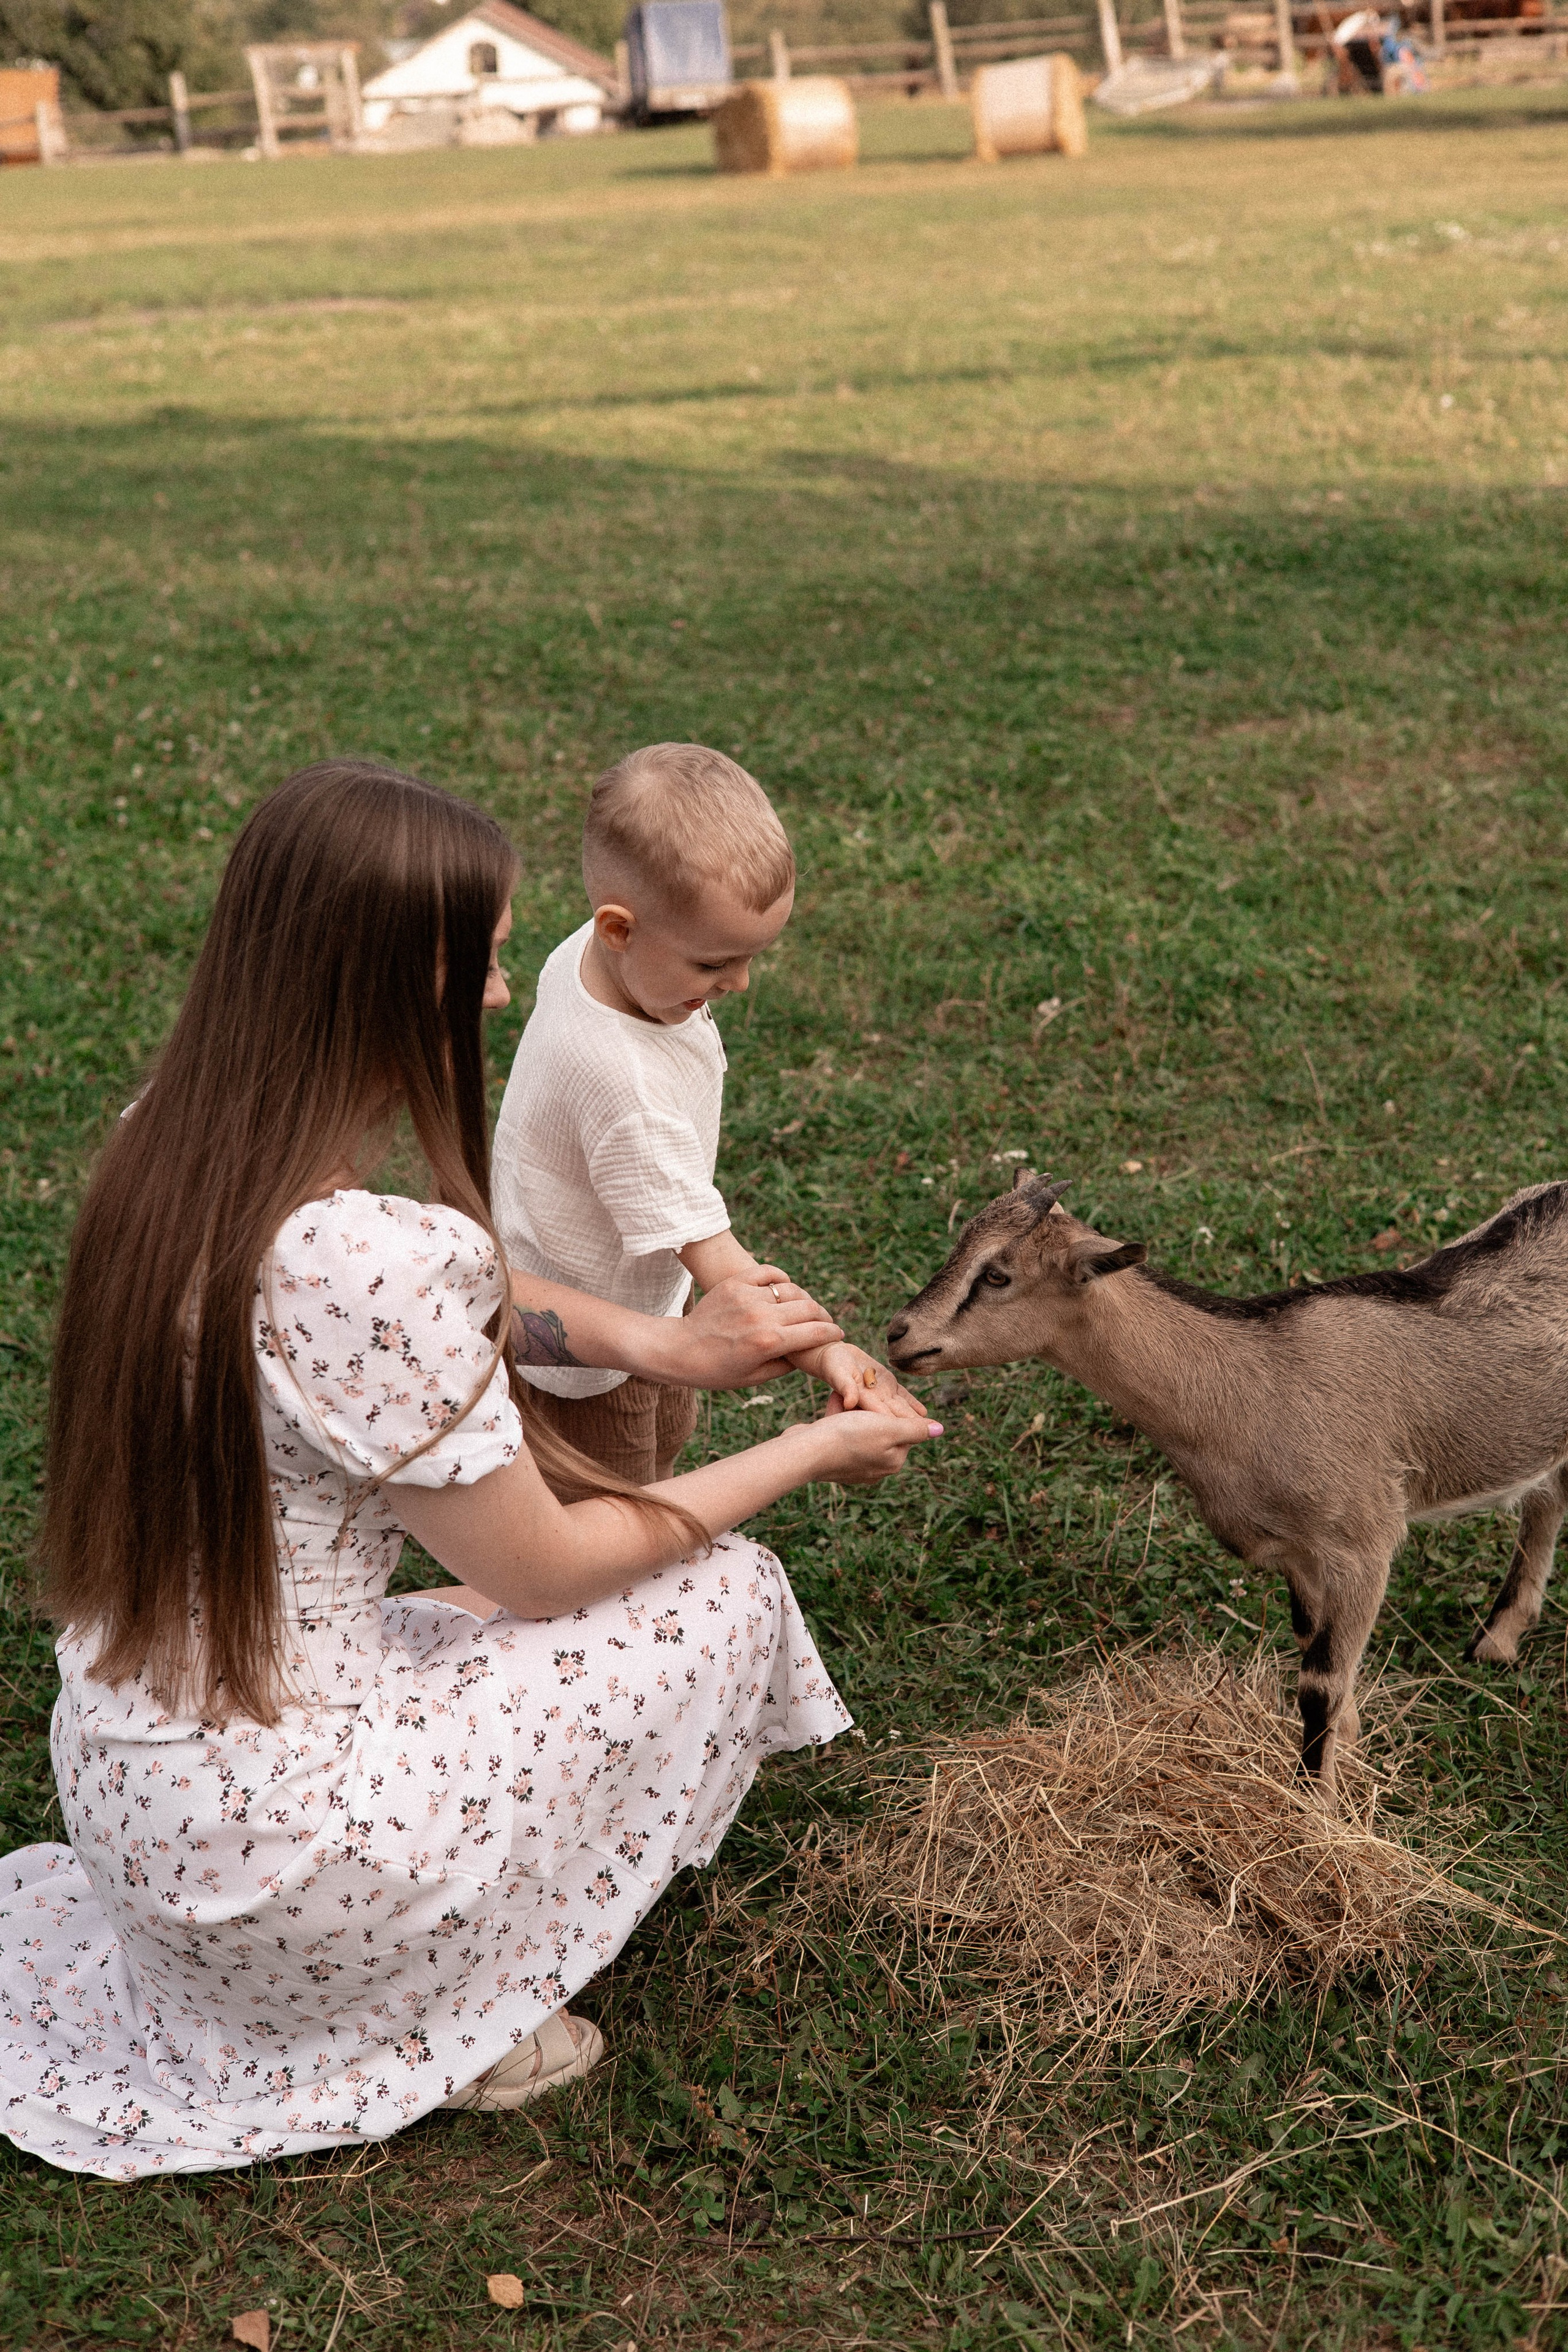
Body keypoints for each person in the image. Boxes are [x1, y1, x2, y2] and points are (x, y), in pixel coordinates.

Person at [0, 760, 938, 2181]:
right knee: (724, 1592)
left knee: (477, 1629)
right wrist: (809, 1448)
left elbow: (459, 1307)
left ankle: (363, 1959)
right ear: (390, 980)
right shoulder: (362, 1258)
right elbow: (546, 1565)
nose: (503, 996)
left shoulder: (169, 1148)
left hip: (145, 1791)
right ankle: (436, 2004)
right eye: (489, 963)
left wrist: (666, 1349)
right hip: (285, 1865)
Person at [493, 742, 925, 1487]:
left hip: (641, 1301)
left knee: (664, 1446)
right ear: (618, 928)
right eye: (713, 964)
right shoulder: (623, 1089)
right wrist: (830, 1354)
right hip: (591, 1363)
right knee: (622, 1525)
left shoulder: (595, 958)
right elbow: (724, 1270)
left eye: (750, 957)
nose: (740, 983)